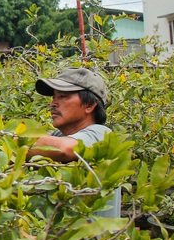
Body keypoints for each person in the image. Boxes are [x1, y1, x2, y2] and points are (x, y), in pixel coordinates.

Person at [31, 67, 120, 218]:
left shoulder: (102, 135)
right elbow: (15, 152)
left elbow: (64, 149)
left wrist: (13, 139)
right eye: (54, 97)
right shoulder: (60, 135)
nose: (53, 104)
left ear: (89, 105)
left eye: (63, 96)